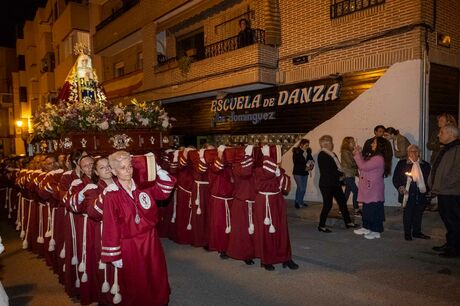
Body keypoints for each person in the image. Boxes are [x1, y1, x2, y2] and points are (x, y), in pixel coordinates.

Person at [101, 150, 176, 305]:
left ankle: (159, 300)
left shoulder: (143, 186)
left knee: (155, 271)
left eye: (129, 166)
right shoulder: (112, 195)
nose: (127, 171)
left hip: (150, 238)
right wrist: (114, 254)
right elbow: (110, 226)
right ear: (114, 171)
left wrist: (157, 169)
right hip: (129, 244)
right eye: (122, 168)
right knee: (136, 277)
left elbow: (165, 191)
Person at [428, 125, 460, 258]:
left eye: (441, 132)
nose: (438, 135)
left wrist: (445, 185)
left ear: (451, 134)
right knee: (448, 220)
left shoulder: (457, 149)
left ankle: (455, 249)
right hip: (444, 191)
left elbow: (458, 172)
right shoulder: (447, 149)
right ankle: (450, 243)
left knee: (454, 221)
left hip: (451, 192)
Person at [353, 137, 391, 239]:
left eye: (374, 143)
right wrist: (359, 153)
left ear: (379, 145)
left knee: (374, 210)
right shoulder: (375, 157)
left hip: (373, 189)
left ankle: (376, 230)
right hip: (369, 188)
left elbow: (363, 166)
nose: (371, 144)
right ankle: (366, 227)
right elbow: (364, 164)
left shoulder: (378, 158)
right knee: (367, 209)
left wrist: (357, 154)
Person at [317, 135, 356, 233]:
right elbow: (329, 170)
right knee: (328, 205)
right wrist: (341, 174)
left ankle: (348, 222)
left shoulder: (332, 154)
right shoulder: (322, 155)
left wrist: (341, 175)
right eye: (331, 142)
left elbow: (338, 166)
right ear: (326, 144)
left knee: (342, 202)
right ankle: (321, 226)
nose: (333, 144)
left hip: (335, 183)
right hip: (326, 184)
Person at [392, 145, 431, 241]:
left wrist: (429, 190)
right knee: (408, 214)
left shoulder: (425, 165)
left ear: (419, 153)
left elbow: (430, 179)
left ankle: (417, 232)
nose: (413, 153)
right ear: (407, 153)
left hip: (421, 192)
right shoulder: (402, 163)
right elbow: (396, 178)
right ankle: (407, 233)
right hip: (408, 192)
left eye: (415, 151)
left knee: (418, 213)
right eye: (411, 151)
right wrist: (401, 187)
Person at [292, 139, 314, 209]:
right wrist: (305, 167)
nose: (307, 147)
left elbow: (312, 160)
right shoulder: (296, 151)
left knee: (302, 189)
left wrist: (310, 167)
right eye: (306, 145)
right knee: (301, 188)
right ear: (301, 144)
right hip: (298, 172)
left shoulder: (308, 152)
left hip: (305, 173)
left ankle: (301, 201)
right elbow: (295, 162)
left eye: (308, 145)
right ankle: (297, 202)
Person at [340, 137, 360, 215]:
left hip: (350, 174)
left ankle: (342, 208)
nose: (354, 142)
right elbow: (350, 163)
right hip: (347, 175)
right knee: (356, 191)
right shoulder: (345, 151)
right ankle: (356, 208)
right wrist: (359, 162)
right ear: (347, 143)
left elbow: (353, 162)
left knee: (347, 192)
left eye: (354, 141)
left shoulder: (350, 151)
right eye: (352, 142)